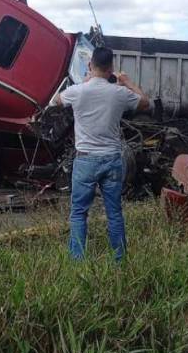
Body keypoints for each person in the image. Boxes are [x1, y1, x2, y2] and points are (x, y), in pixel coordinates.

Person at [56, 46, 149, 261]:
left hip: (85, 160)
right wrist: (126, 81)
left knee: (79, 213)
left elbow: (57, 101)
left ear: (90, 65)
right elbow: (146, 103)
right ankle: (119, 260)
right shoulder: (120, 93)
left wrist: (86, 82)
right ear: (112, 68)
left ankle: (77, 261)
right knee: (114, 213)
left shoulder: (77, 91)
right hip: (112, 159)